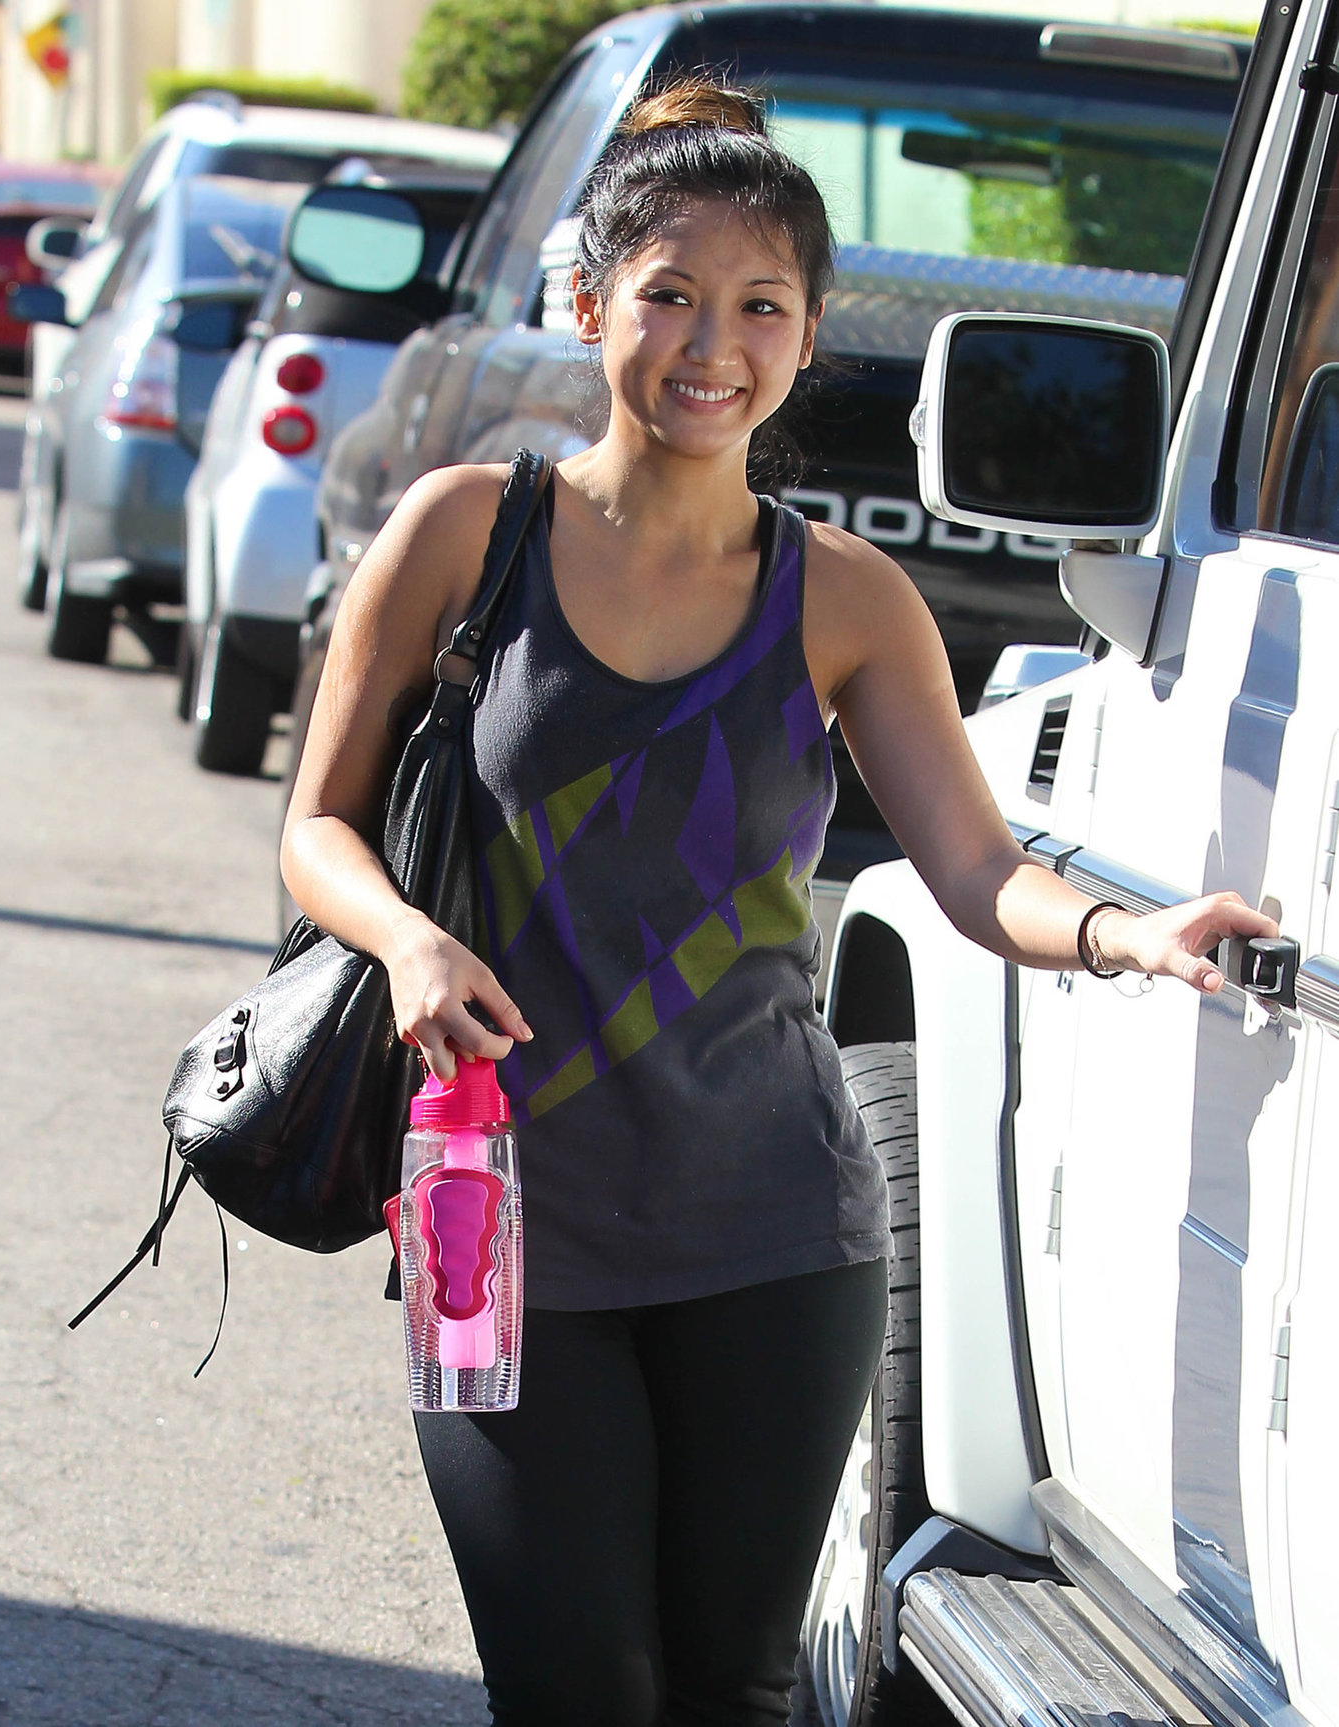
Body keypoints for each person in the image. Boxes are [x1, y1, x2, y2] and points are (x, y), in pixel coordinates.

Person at [280, 77, 1276, 1727]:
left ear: (809, 337)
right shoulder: (467, 533)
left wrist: (1127, 934)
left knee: (737, 1693)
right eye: (667, 295)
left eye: (758, 307)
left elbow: (974, 872)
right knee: (571, 1688)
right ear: (589, 301)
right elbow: (316, 824)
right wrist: (403, 936)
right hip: (495, 1219)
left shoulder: (848, 601)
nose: (708, 344)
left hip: (774, 1228)